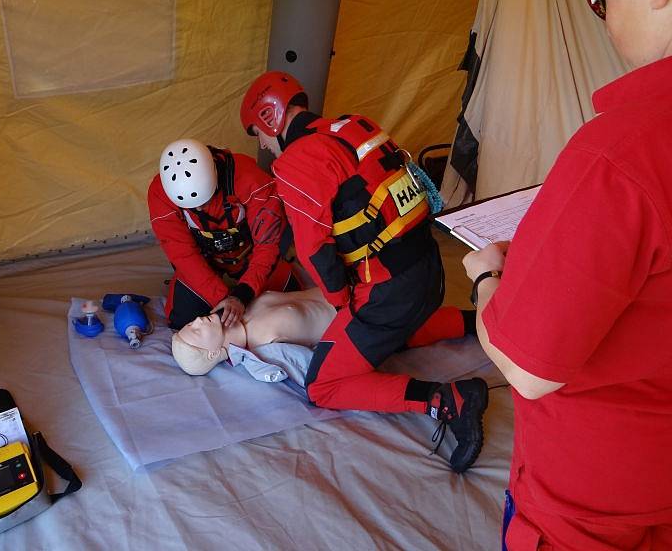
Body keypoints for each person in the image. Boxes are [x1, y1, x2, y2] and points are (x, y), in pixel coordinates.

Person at [461, 0, 672, 547]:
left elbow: (527, 367)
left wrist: (486, 279)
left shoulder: (619, 153)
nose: (603, 20)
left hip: (596, 509)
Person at [238, 71, 489, 473]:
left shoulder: (297, 162)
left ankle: (448, 400)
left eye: (259, 134)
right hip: (430, 271)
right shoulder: (354, 126)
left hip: (392, 291)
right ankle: (476, 322)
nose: (264, 146)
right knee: (388, 334)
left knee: (322, 385)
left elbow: (314, 252)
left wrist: (342, 304)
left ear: (270, 116)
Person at [148, 139, 298, 330]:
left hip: (250, 256)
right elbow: (182, 254)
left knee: (288, 307)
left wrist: (243, 294)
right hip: (206, 261)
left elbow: (268, 244)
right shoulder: (160, 193)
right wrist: (222, 298)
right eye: (191, 207)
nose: (200, 208)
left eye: (205, 200)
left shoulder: (250, 178)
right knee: (181, 320)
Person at [172, 287, 469, 377]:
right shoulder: (266, 349)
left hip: (354, 289)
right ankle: (475, 322)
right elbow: (313, 370)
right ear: (212, 353)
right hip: (363, 317)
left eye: (191, 323)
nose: (198, 320)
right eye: (195, 331)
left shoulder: (240, 307)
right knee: (426, 325)